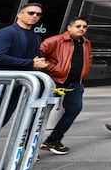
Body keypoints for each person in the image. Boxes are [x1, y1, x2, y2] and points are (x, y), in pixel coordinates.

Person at [0, 3, 49, 148]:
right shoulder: (7, 33)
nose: (34, 16)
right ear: (19, 14)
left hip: (16, 87)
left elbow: (33, 60)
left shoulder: (35, 37)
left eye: (38, 14)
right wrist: (30, 63)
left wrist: (39, 63)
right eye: (31, 13)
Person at [40, 17, 93, 155]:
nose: (82, 29)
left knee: (75, 109)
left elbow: (88, 59)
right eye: (78, 26)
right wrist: (53, 68)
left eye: (85, 26)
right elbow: (39, 56)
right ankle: (28, 147)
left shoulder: (86, 43)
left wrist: (86, 70)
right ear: (69, 28)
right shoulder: (55, 41)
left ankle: (53, 140)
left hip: (75, 83)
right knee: (40, 114)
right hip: (54, 81)